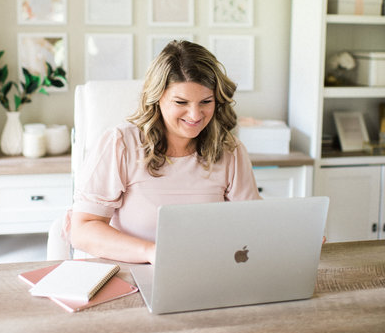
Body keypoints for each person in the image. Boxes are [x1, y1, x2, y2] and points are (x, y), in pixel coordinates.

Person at [70, 40, 261, 264]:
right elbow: (83, 229)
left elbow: (252, 224)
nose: (195, 115)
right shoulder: (121, 144)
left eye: (206, 102)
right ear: (157, 98)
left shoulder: (230, 151)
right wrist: (151, 253)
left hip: (207, 269)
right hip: (133, 270)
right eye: (181, 102)